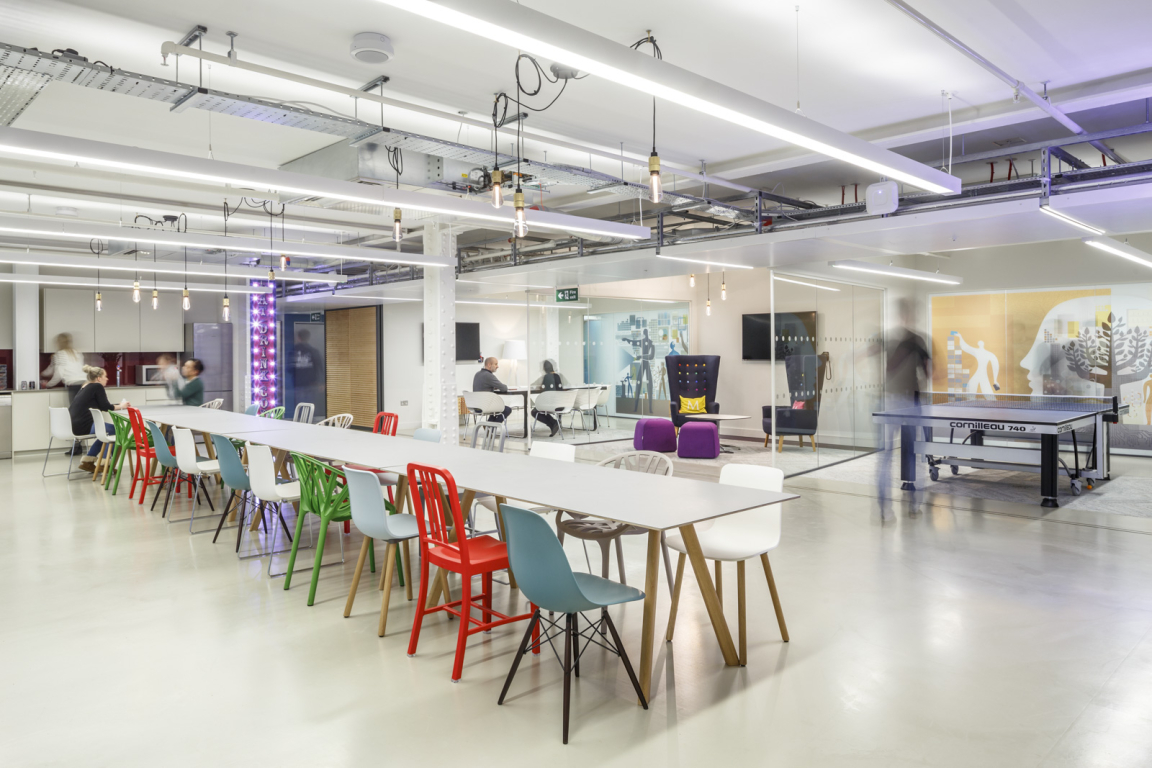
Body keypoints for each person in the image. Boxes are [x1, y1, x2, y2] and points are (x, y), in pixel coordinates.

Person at [877, 299, 932, 519]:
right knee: (911, 454)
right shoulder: (917, 340)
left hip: (888, 402)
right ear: (911, 314)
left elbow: (874, 358)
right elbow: (929, 373)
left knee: (886, 456)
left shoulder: (887, 338)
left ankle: (884, 510)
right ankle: (913, 506)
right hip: (909, 402)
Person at [70, 365, 129, 473]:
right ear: (98, 378)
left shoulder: (85, 386)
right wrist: (121, 406)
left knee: (104, 433)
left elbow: (102, 405)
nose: (107, 379)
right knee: (117, 431)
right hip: (85, 426)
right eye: (105, 376)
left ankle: (88, 462)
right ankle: (105, 465)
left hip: (75, 425)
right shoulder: (97, 386)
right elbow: (106, 407)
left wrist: (120, 405)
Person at [41, 332, 87, 403]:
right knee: (86, 411)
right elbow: (51, 369)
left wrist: (47, 384)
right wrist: (42, 374)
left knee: (75, 412)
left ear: (58, 343)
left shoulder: (59, 355)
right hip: (87, 384)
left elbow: (58, 375)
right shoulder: (77, 353)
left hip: (75, 387)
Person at [473, 356, 512, 424]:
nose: (497, 366)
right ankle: (491, 427)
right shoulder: (489, 375)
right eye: (496, 364)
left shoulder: (477, 374)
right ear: (489, 365)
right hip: (485, 406)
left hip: (476, 406)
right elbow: (504, 388)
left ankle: (489, 425)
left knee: (495, 407)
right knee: (507, 410)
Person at [529, 360, 563, 437]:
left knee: (535, 412)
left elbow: (543, 389)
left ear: (544, 369)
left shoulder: (546, 377)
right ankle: (554, 423)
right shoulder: (557, 376)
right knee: (540, 409)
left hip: (551, 404)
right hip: (561, 403)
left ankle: (553, 423)